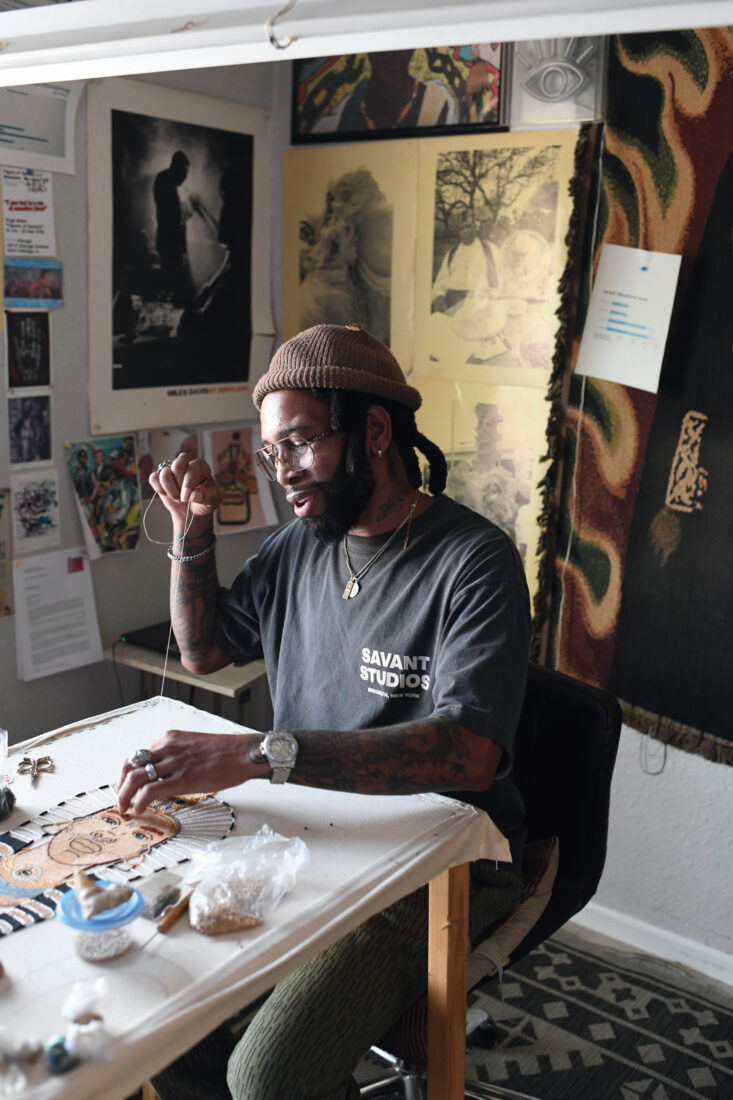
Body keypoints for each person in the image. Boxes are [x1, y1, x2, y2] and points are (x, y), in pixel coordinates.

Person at [116, 323, 530, 1100]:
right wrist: (192, 533)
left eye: (300, 442)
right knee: (149, 1012)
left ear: (373, 430)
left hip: (434, 860)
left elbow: (469, 753)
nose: (282, 472)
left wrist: (256, 755)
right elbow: (203, 651)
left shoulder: (473, 561)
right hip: (307, 836)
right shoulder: (296, 545)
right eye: (272, 452)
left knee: (265, 1076)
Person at [153, 150, 196, 307]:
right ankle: (169, 307)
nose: (185, 178)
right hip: (170, 238)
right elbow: (174, 215)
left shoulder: (164, 179)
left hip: (169, 238)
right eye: (185, 173)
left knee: (170, 276)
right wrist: (190, 208)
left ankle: (169, 305)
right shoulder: (167, 182)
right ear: (177, 168)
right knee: (171, 278)